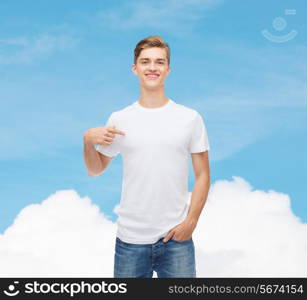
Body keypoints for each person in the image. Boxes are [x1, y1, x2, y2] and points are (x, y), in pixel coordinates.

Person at [83, 36, 210, 278]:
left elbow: (203, 174)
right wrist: (87, 141)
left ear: (168, 69)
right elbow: (95, 169)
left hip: (177, 240)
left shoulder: (190, 118)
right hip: (130, 241)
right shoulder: (120, 119)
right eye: (145, 62)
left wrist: (191, 222)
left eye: (159, 62)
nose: (152, 67)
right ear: (135, 68)